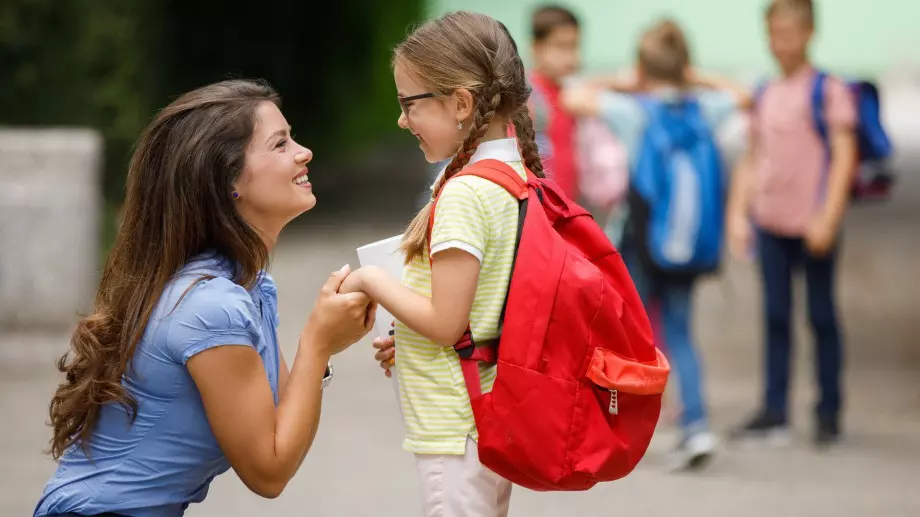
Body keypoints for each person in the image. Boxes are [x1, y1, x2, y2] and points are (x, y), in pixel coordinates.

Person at [34, 79, 376, 517]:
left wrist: (328, 344)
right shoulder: (209, 305)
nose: (303, 152)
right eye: (280, 144)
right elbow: (269, 472)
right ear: (227, 180)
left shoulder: (246, 286)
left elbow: (276, 413)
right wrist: (317, 342)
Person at [342, 11, 545, 516]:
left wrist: (369, 281)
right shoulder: (513, 174)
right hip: (488, 415)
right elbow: (482, 309)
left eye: (409, 104)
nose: (401, 120)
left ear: (461, 103)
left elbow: (446, 323)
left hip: (456, 425)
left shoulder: (465, 193)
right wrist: (407, 339)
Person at [560, 19, 751, 471]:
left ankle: (617, 427)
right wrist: (695, 76)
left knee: (628, 335)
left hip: (639, 240)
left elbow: (573, 95)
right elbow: (745, 95)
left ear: (643, 68)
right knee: (682, 333)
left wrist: (625, 81)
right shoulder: (706, 107)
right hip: (686, 245)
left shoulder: (635, 110)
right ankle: (697, 426)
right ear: (684, 65)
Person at [726, 0, 856, 447]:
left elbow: (843, 157)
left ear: (807, 33)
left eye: (788, 31)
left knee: (821, 316)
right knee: (775, 315)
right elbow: (752, 156)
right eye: (773, 32)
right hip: (771, 223)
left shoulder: (828, 90)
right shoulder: (766, 91)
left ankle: (828, 410)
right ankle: (774, 408)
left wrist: (829, 216)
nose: (779, 41)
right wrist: (738, 214)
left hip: (813, 225)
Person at [526, 5, 581, 199]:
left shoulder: (570, 94)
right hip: (541, 205)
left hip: (568, 205)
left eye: (574, 46)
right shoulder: (528, 96)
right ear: (536, 48)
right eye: (561, 46)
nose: (570, 56)